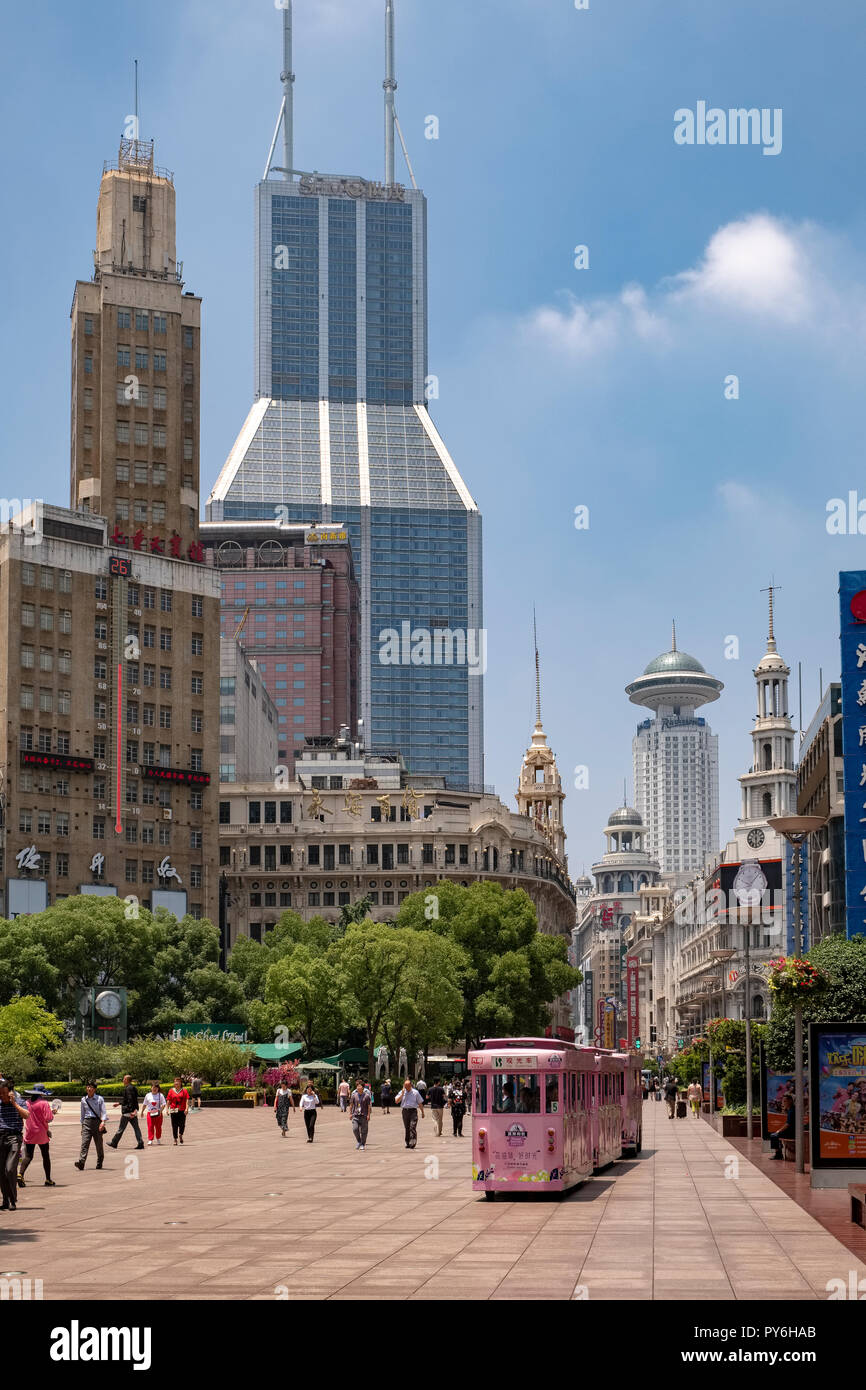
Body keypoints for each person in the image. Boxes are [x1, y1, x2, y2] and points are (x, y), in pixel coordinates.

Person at [19, 1084, 55, 1188]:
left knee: (29, 1156)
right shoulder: (44, 1103)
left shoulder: (27, 1103)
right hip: (41, 1133)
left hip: (30, 1131)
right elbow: (48, 1118)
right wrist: (53, 1113)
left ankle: (20, 1174)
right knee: (45, 1155)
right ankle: (48, 1179)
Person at [0, 1078, 28, 1210]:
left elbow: (26, 1115)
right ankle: (5, 1200)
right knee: (1, 1172)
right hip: (0, 1138)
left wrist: (14, 1104)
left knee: (10, 1169)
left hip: (14, 1138)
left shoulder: (20, 1102)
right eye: (0, 1094)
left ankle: (12, 1199)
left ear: (11, 1093)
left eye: (4, 1093)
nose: (2, 1096)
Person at [75, 1082, 108, 1170]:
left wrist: (103, 1122)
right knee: (84, 1143)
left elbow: (103, 1112)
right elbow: (82, 1114)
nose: (89, 1089)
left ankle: (100, 1161)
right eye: (88, 1087)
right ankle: (81, 1162)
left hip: (97, 1123)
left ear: (95, 1089)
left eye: (91, 1087)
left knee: (99, 1144)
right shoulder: (83, 1100)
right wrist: (82, 1126)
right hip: (86, 1122)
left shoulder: (99, 1099)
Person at [108, 1076, 144, 1151]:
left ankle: (114, 1142)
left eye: (124, 1079)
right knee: (136, 1128)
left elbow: (130, 1100)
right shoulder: (132, 1087)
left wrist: (131, 1111)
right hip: (132, 1112)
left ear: (127, 1080)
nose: (123, 1080)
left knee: (121, 1128)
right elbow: (132, 1100)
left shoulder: (128, 1088)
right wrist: (119, 1103)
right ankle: (140, 1143)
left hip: (128, 1112)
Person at [397, 1078, 425, 1149]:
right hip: (405, 1111)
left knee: (412, 1126)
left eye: (407, 1086)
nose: (406, 1088)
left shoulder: (415, 1092)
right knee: (407, 1127)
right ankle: (407, 1142)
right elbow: (396, 1101)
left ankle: (412, 1142)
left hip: (413, 1111)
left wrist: (422, 1112)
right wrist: (402, 1094)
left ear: (410, 1085)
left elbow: (420, 1103)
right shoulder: (402, 1092)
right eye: (405, 1086)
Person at [770, 1094, 796, 1159]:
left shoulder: (792, 1111)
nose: (783, 1103)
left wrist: (778, 1131)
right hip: (792, 1131)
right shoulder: (791, 1109)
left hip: (792, 1133)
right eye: (782, 1101)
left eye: (785, 1101)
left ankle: (778, 1154)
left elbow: (787, 1124)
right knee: (775, 1135)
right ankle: (779, 1152)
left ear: (790, 1101)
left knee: (774, 1135)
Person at [166, 1076, 190, 1146]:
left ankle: (180, 1135)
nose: (176, 1083)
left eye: (178, 1082)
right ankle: (175, 1139)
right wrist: (167, 1109)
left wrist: (186, 1108)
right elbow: (168, 1100)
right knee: (174, 1125)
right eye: (175, 1082)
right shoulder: (171, 1090)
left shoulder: (184, 1090)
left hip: (182, 1110)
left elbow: (187, 1100)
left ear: (180, 1083)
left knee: (182, 1124)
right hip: (173, 1110)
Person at [349, 1078, 371, 1150]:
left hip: (364, 1115)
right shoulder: (354, 1095)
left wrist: (368, 1115)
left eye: (360, 1086)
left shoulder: (367, 1096)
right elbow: (351, 1105)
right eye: (357, 1086)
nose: (358, 1087)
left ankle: (362, 1144)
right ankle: (359, 1141)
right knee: (355, 1129)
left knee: (364, 1131)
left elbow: (368, 1106)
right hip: (356, 1115)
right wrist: (350, 1113)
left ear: (363, 1087)